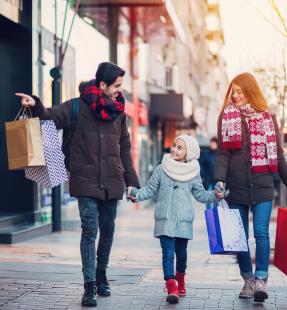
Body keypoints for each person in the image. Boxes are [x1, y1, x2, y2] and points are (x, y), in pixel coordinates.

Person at [16, 62, 140, 307]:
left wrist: (131, 182)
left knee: (108, 231)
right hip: (84, 180)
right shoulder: (76, 106)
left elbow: (124, 148)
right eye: (116, 85)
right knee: (89, 231)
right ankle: (89, 285)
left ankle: (102, 273)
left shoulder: (118, 112)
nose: (119, 90)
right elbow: (49, 116)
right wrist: (36, 105)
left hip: (112, 180)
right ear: (102, 85)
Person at [214, 72, 287, 303]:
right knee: (240, 237)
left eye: (240, 91)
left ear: (250, 91)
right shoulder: (227, 116)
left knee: (261, 233)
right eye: (233, 91)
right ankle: (248, 280)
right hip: (237, 185)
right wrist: (219, 180)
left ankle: (261, 279)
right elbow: (223, 153)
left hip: (262, 184)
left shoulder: (266, 117)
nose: (236, 95)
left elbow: (278, 154)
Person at [128, 135, 223, 304]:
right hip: (164, 218)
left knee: (182, 254)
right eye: (174, 145)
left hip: (183, 219)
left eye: (180, 148)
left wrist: (215, 195)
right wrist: (137, 195)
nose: (174, 149)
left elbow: (200, 194)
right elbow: (150, 189)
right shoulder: (161, 168)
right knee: (167, 253)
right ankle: (171, 285)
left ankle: (181, 277)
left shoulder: (193, 172)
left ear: (189, 153)